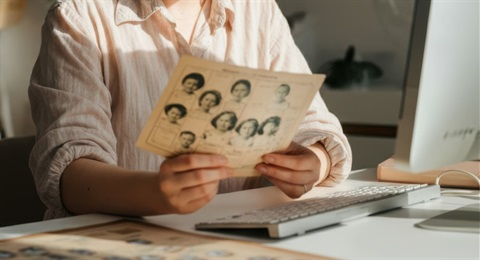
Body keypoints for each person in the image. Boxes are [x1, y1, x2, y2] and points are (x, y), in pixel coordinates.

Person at [28, 0, 352, 220]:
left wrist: (316, 162)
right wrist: (155, 193)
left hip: (234, 240)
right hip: (120, 241)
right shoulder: (79, 16)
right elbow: (67, 173)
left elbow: (312, 121)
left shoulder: (258, 10)